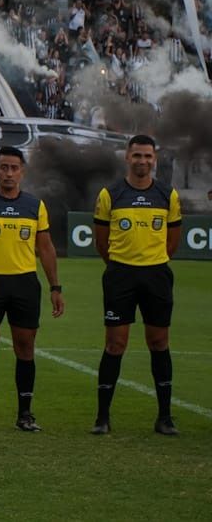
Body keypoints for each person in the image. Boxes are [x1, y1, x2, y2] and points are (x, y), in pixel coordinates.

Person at [0, 146, 64, 431]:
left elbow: (46, 248)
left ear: (22, 172)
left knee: (25, 347)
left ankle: (25, 414)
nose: (8, 173)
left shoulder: (35, 206)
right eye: (3, 167)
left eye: (14, 168)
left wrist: (55, 287)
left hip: (25, 284)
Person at [91, 134, 182, 436]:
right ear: (127, 157)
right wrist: (122, 264)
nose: (142, 161)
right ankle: (102, 418)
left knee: (159, 342)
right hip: (120, 275)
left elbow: (172, 242)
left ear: (154, 159)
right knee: (115, 344)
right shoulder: (110, 194)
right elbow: (102, 243)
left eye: (147, 156)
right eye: (137, 155)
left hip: (156, 276)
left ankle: (165, 417)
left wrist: (152, 262)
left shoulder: (167, 195)